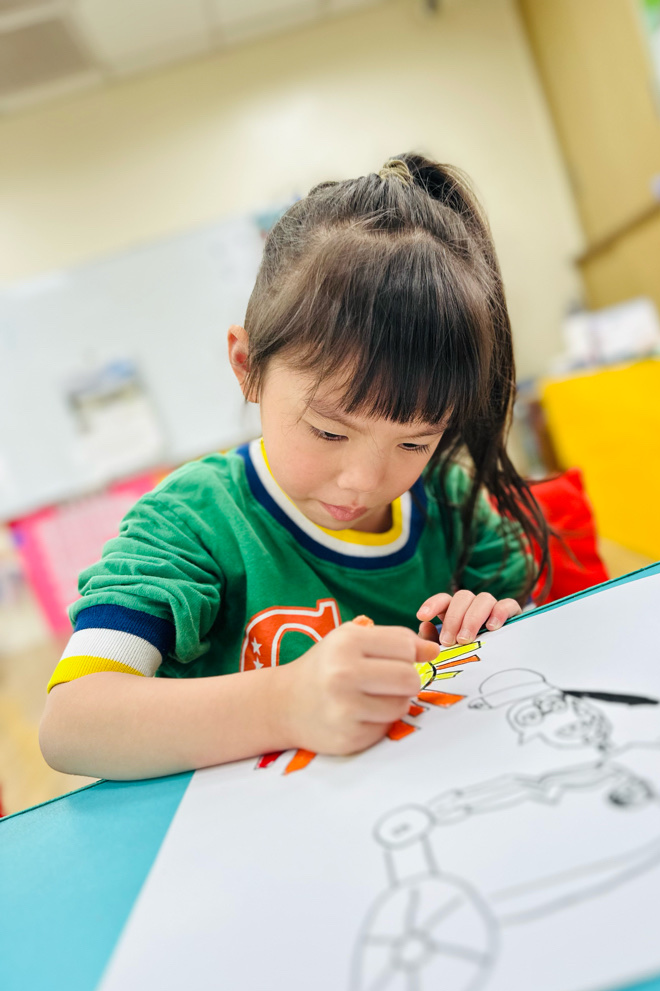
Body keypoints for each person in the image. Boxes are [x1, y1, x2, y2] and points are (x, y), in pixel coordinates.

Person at [39, 154, 548, 782]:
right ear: (248, 367)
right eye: (329, 431)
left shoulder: (453, 503)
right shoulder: (192, 523)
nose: (364, 481)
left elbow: (534, 643)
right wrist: (286, 703)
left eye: (415, 444)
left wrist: (494, 633)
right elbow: (71, 725)